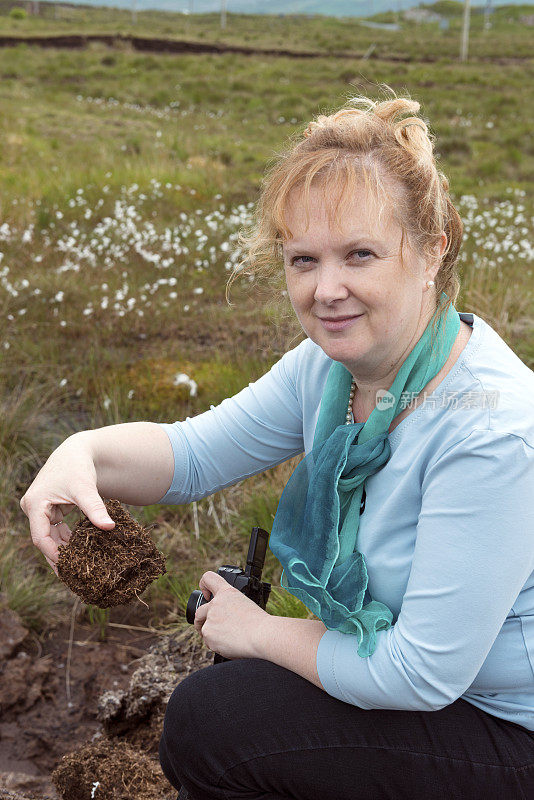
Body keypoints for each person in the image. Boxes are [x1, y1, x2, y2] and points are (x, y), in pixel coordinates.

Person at [20, 93, 534, 800]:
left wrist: (258, 631)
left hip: (508, 727)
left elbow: (421, 672)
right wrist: (81, 454)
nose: (327, 290)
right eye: (303, 259)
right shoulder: (330, 371)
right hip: (433, 692)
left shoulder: (490, 430)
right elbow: (193, 455)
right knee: (232, 704)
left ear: (431, 251)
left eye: (360, 254)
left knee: (215, 721)